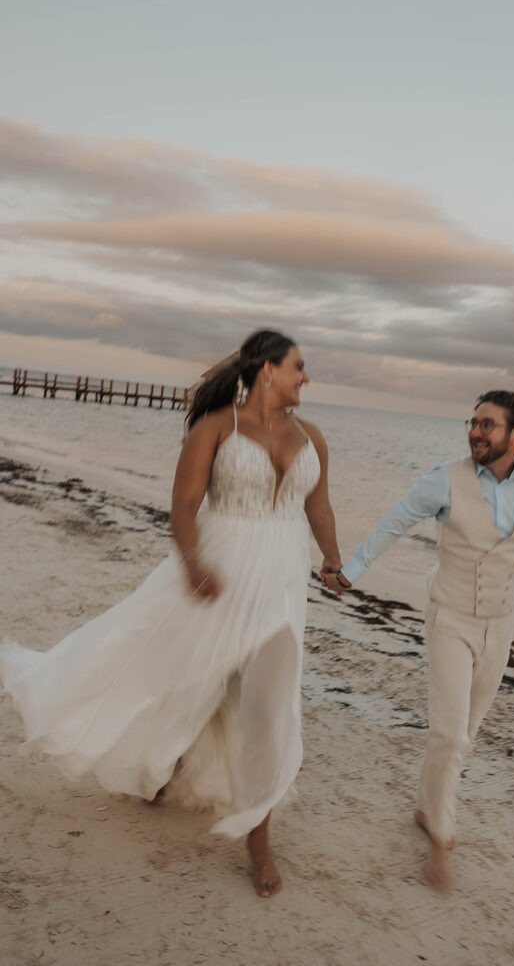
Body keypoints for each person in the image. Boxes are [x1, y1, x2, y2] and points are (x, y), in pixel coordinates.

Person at [1, 329, 343, 897]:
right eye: (299, 367)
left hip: (282, 582)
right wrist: (192, 565)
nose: (306, 377)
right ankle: (154, 767)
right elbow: (183, 507)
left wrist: (332, 557)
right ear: (267, 371)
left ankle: (259, 838)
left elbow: (319, 505)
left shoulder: (314, 439)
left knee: (266, 704)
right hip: (217, 571)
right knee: (177, 677)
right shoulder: (215, 429)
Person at [323, 391, 514, 891]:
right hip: (450, 619)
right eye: (473, 422)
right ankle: (441, 837)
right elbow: (394, 522)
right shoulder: (445, 479)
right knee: (448, 733)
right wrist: (350, 572)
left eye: (487, 424)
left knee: (468, 731)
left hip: (501, 626)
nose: (475, 432)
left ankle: (426, 806)